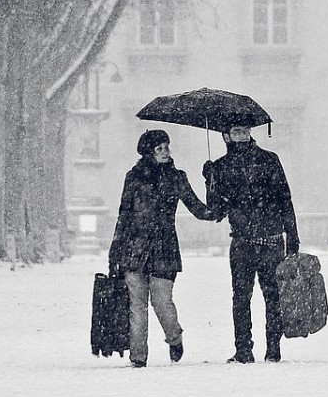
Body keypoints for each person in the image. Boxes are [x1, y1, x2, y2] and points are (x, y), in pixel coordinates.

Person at [108, 129, 217, 368]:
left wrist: (215, 199)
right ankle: (138, 357)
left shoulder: (177, 177)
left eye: (167, 147)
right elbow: (124, 215)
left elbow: (197, 208)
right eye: (160, 148)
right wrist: (114, 254)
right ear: (148, 153)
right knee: (137, 307)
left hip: (164, 249)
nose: (166, 152)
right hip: (133, 250)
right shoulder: (133, 177)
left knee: (162, 302)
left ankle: (174, 337)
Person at [202, 121, 300, 364]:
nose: (243, 135)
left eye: (245, 131)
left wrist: (293, 236)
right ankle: (243, 349)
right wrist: (209, 180)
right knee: (241, 297)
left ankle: (273, 348)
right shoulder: (221, 167)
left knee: (273, 296)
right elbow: (217, 211)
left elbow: (284, 199)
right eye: (236, 132)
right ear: (226, 136)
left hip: (271, 240)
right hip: (242, 242)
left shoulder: (269, 159)